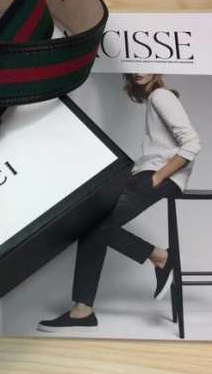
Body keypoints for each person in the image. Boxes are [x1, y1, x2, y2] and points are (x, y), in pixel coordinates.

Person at [38, 73, 201, 333]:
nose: (138, 71)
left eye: (145, 66)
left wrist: (158, 176)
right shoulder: (155, 98)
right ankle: (83, 310)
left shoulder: (161, 95)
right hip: (146, 174)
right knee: (93, 226)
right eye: (133, 69)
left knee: (93, 224)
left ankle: (161, 257)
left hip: (157, 177)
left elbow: (192, 143)